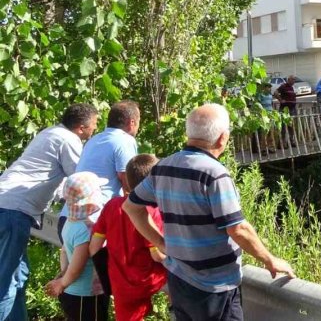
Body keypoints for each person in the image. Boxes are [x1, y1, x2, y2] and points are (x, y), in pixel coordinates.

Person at [123, 104, 295, 321]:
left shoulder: (164, 166)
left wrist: (161, 242)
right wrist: (270, 260)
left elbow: (131, 207)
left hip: (179, 281)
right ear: (223, 138)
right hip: (214, 287)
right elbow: (238, 228)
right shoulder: (215, 174)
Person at [0, 103, 98, 321]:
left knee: (19, 276)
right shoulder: (69, 140)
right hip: (14, 210)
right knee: (6, 283)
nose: (95, 129)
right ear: (81, 127)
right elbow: (79, 180)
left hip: (6, 203)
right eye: (94, 124)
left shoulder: (50, 132)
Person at [89, 155, 166, 321]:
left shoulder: (111, 205)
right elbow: (157, 255)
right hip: (147, 279)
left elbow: (94, 247)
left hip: (119, 280)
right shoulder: (151, 211)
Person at [59, 101, 140, 242]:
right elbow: (128, 184)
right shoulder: (125, 140)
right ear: (132, 122)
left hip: (68, 219)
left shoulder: (94, 139)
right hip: (93, 222)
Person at [45, 172, 109, 321]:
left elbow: (64, 252)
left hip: (71, 291)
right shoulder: (86, 229)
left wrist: (63, 276)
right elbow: (76, 268)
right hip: (86, 294)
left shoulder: (70, 222)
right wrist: (62, 283)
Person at [275, 76, 298, 147]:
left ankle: (291, 141)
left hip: (292, 108)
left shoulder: (292, 87)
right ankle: (282, 143)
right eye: (293, 79)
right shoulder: (283, 86)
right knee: (283, 126)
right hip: (285, 109)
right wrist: (280, 100)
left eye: (294, 80)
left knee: (291, 125)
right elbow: (275, 92)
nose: (294, 81)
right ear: (289, 80)